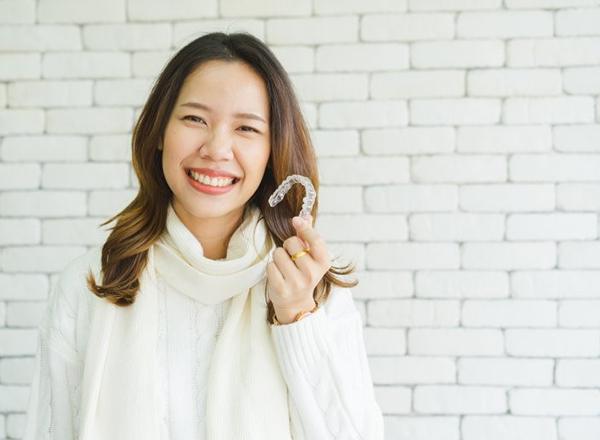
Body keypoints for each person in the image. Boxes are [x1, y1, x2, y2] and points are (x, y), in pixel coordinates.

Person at [22, 32, 384, 440]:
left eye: (246, 128)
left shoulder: (313, 289)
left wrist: (297, 318)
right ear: (159, 132)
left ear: (271, 150)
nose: (217, 148)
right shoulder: (91, 285)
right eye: (195, 119)